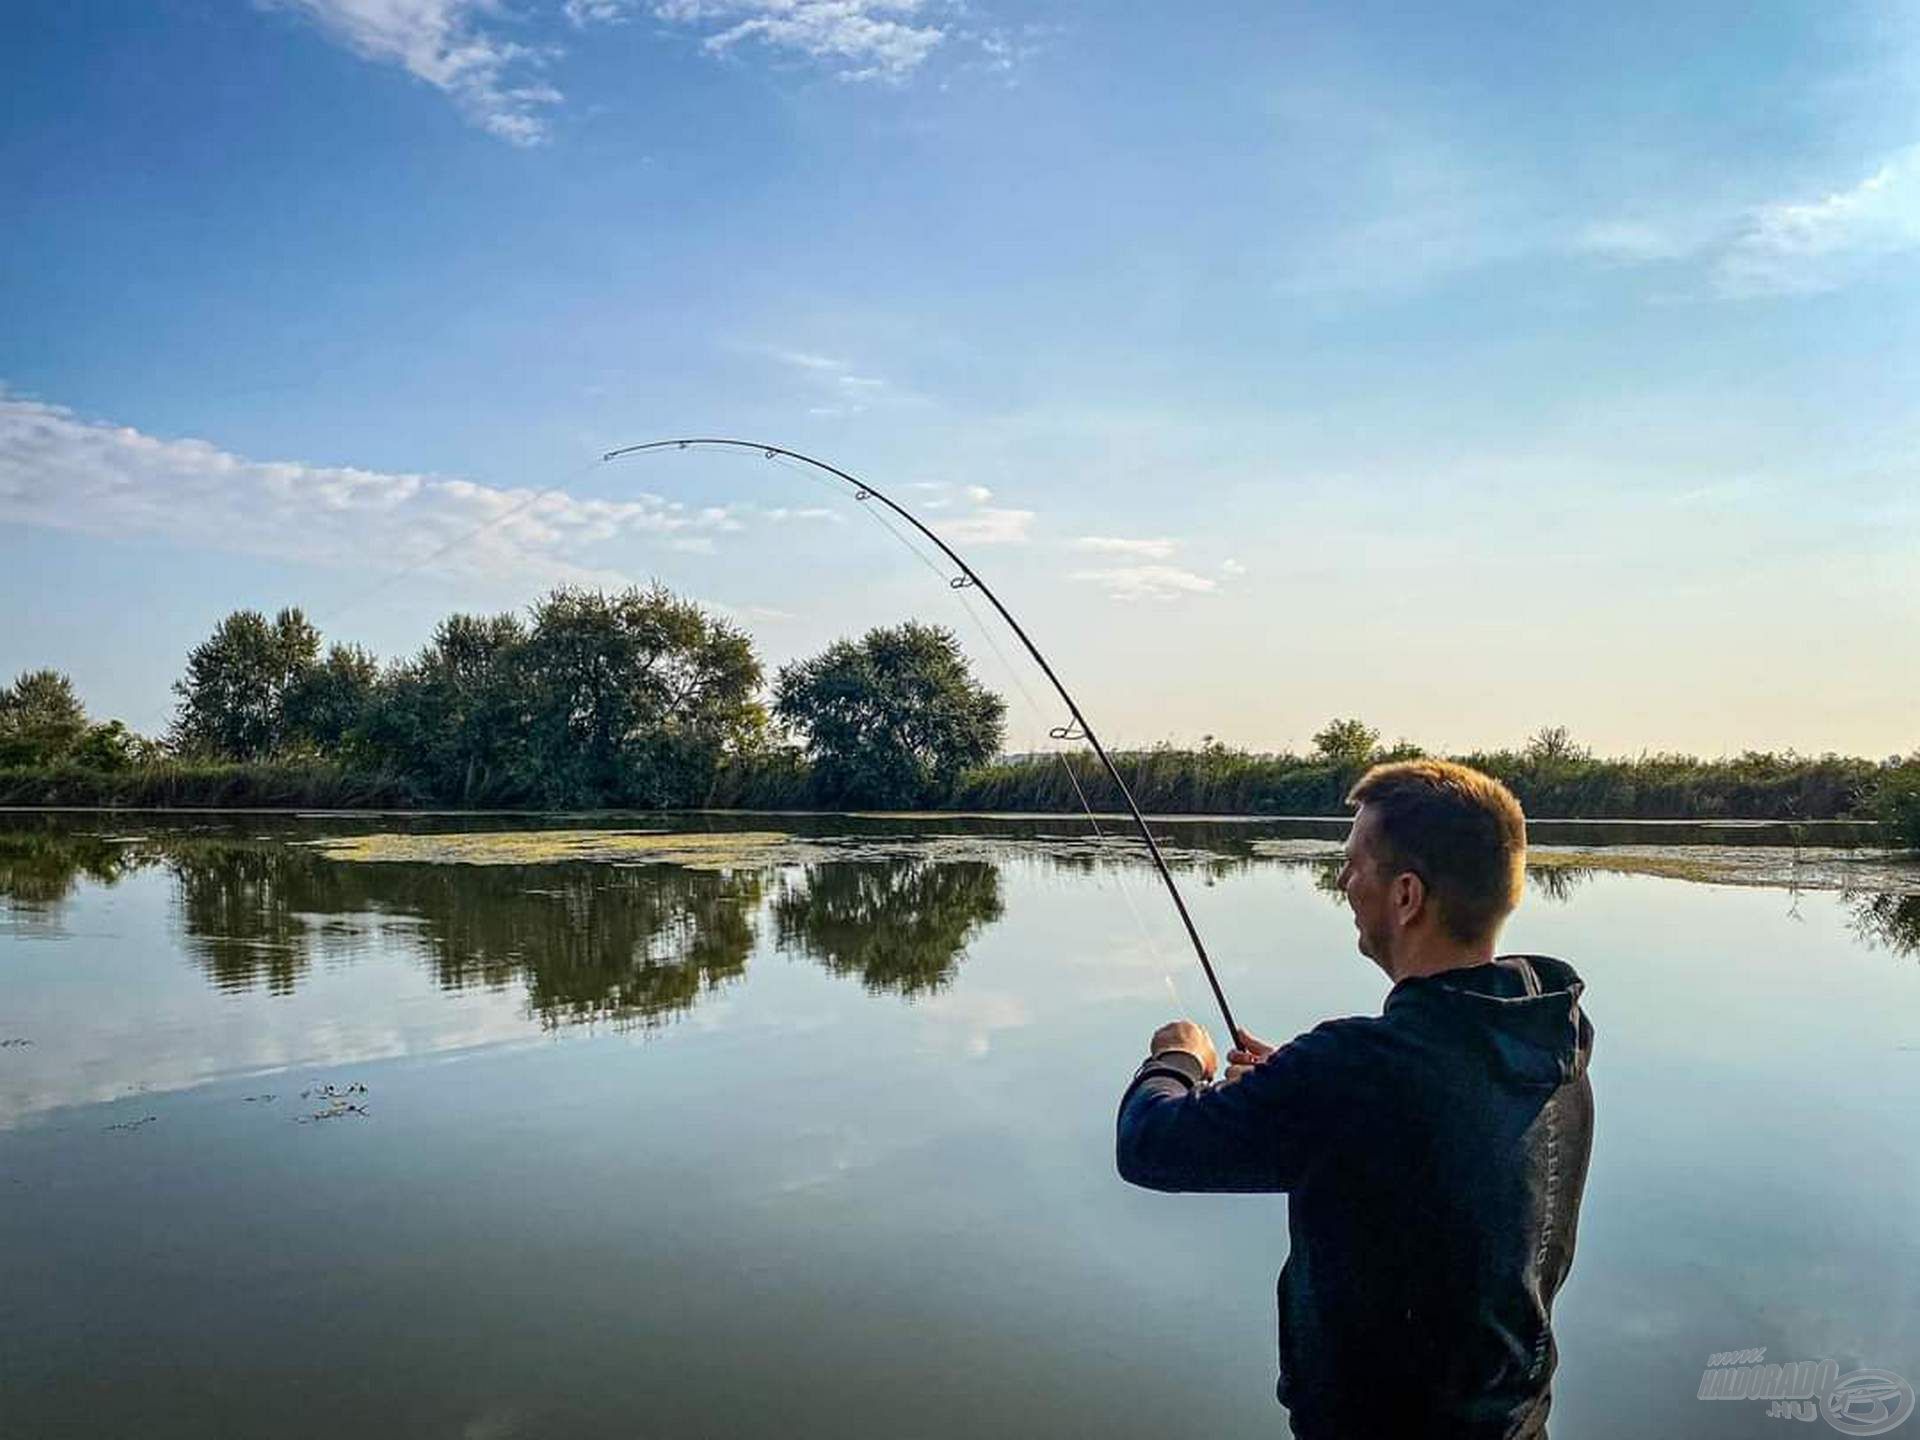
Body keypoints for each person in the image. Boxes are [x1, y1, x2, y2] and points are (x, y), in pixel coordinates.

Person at [1116, 759, 1595, 1439]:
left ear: (1406, 896)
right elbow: (1436, 1146)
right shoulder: (1547, 1042)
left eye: (1352, 865)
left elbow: (1149, 1145)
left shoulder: (1357, 1073)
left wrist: (1177, 1058)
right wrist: (1295, 1083)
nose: (1341, 882)